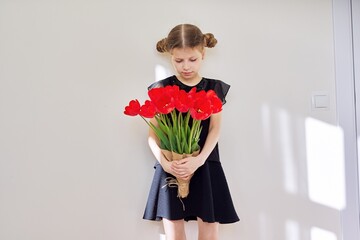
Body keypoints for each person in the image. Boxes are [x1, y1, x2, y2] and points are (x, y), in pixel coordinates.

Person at [143, 23, 239, 240]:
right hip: (171, 168)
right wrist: (165, 163)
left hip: (206, 165)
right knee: (174, 233)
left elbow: (215, 129)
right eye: (179, 60)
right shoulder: (161, 89)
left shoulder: (213, 88)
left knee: (209, 231)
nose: (186, 66)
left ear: (203, 54)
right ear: (170, 56)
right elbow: (152, 136)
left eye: (192, 60)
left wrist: (199, 160)